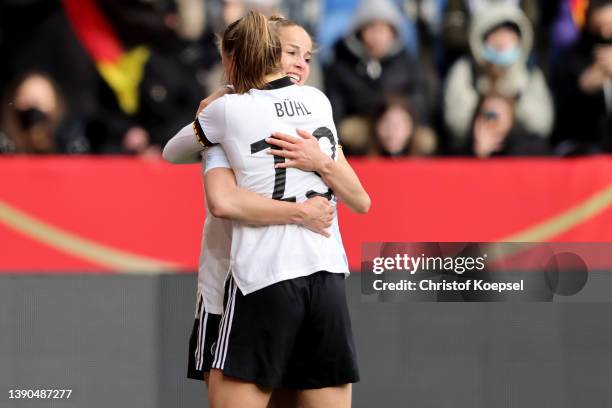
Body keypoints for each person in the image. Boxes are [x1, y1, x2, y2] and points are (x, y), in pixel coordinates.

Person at [163, 14, 369, 408]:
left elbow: (178, 158)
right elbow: (362, 200)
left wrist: (209, 110)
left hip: (259, 278)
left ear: (233, 59)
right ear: (271, 54)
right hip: (326, 274)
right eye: (292, 52)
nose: (300, 64)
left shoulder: (227, 115)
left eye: (306, 56)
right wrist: (321, 166)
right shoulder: (317, 103)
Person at [443, 3, 554, 152]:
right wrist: (481, 116)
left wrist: (510, 112)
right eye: (495, 34)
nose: (502, 42)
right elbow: (456, 123)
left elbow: (541, 124)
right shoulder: (466, 70)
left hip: (518, 149)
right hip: (473, 146)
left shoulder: (529, 73)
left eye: (509, 34)